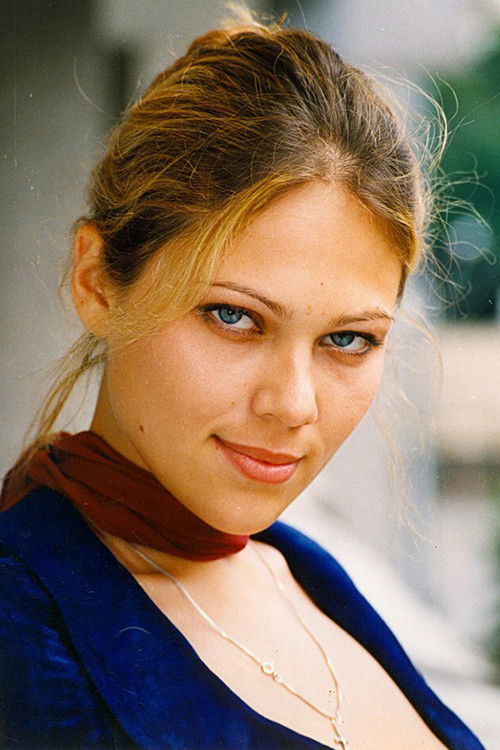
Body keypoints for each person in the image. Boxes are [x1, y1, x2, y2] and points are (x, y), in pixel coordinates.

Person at [0, 6, 485, 750]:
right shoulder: (23, 626)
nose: (293, 404)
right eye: (234, 317)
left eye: (348, 339)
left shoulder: (304, 571)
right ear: (97, 282)